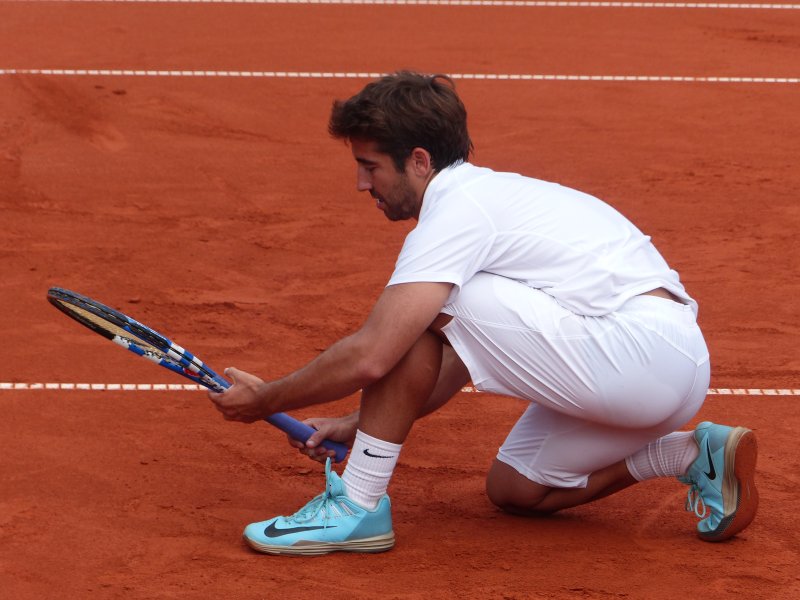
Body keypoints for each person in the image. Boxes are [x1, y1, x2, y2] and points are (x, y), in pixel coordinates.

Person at [208, 71, 759, 556]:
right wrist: (358, 424)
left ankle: (355, 504)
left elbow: (377, 355)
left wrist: (268, 399)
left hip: (637, 358)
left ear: (419, 161)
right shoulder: (490, 200)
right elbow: (460, 356)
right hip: (659, 369)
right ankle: (690, 454)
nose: (360, 184)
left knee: (418, 314)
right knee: (518, 490)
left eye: (368, 166)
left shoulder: (456, 211)